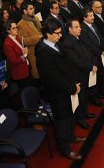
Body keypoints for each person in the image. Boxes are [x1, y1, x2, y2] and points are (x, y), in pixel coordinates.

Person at [35, 17, 84, 160]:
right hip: (57, 94)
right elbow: (53, 79)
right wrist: (71, 88)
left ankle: (71, 136)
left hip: (67, 89)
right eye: (57, 33)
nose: (60, 35)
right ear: (48, 34)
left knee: (70, 115)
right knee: (61, 121)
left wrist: (74, 83)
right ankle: (65, 149)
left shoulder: (56, 44)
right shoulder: (43, 53)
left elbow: (67, 65)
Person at [3, 21, 33, 89]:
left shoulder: (16, 37)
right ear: (8, 30)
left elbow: (20, 50)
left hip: (26, 68)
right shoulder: (7, 43)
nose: (16, 29)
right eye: (13, 28)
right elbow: (14, 61)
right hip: (20, 73)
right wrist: (25, 55)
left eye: (16, 27)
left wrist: (24, 50)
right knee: (27, 91)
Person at [17, 3, 43, 80]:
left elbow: (40, 30)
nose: (33, 10)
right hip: (33, 52)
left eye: (33, 8)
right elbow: (23, 41)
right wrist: (38, 37)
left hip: (41, 48)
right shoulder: (20, 24)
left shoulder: (36, 19)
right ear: (25, 11)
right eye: (31, 9)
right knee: (37, 74)